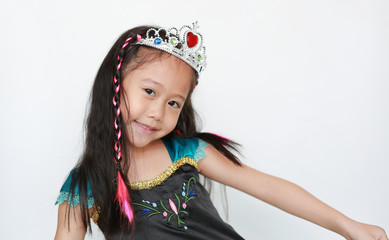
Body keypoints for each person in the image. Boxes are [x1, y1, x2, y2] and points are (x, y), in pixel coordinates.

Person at [54, 22, 388, 240]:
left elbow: (268, 186)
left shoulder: (186, 151)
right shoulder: (83, 186)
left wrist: (349, 227)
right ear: (115, 85)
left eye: (174, 103)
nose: (157, 113)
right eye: (150, 92)